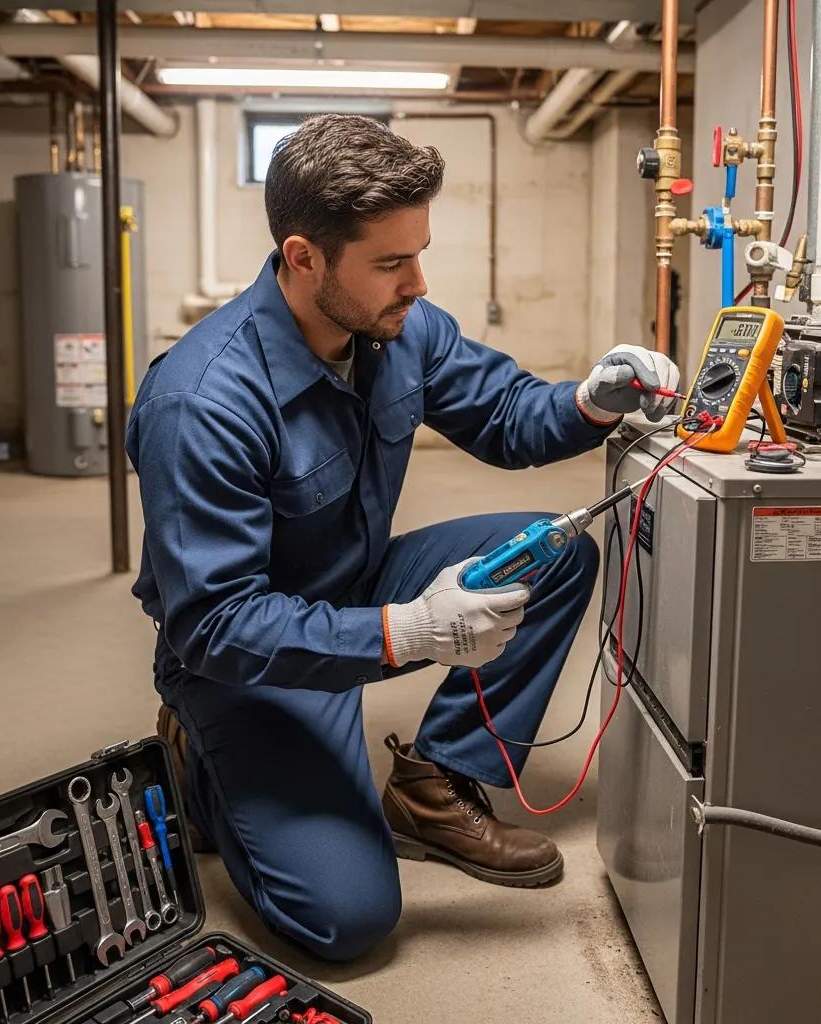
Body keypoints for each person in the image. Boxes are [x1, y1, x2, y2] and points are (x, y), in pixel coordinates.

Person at [127, 113, 679, 962]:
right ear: (304, 257)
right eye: (391, 263)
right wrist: (407, 632)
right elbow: (216, 623)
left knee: (556, 550)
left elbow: (505, 415)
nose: (418, 282)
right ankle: (198, 765)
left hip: (359, 582)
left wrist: (593, 400)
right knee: (346, 919)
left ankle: (435, 784)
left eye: (419, 253)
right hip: (246, 659)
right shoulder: (202, 401)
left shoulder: (400, 326)